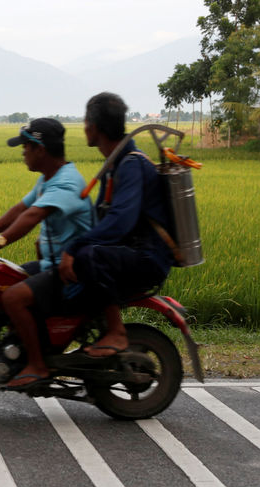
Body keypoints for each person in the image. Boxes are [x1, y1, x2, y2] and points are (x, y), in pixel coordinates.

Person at [0, 118, 92, 389]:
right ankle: (14, 349)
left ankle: (37, 365)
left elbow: (32, 216)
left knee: (13, 297)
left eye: (25, 147)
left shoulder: (66, 183)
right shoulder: (49, 179)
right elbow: (18, 210)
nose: (22, 152)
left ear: (40, 150)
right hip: (52, 264)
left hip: (72, 270)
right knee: (1, 280)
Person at [59, 92, 175, 357]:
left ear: (95, 127)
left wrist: (75, 246)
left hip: (148, 257)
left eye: (86, 121)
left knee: (89, 255)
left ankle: (116, 332)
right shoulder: (117, 162)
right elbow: (101, 218)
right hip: (131, 251)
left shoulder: (131, 164)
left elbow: (120, 222)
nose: (84, 127)